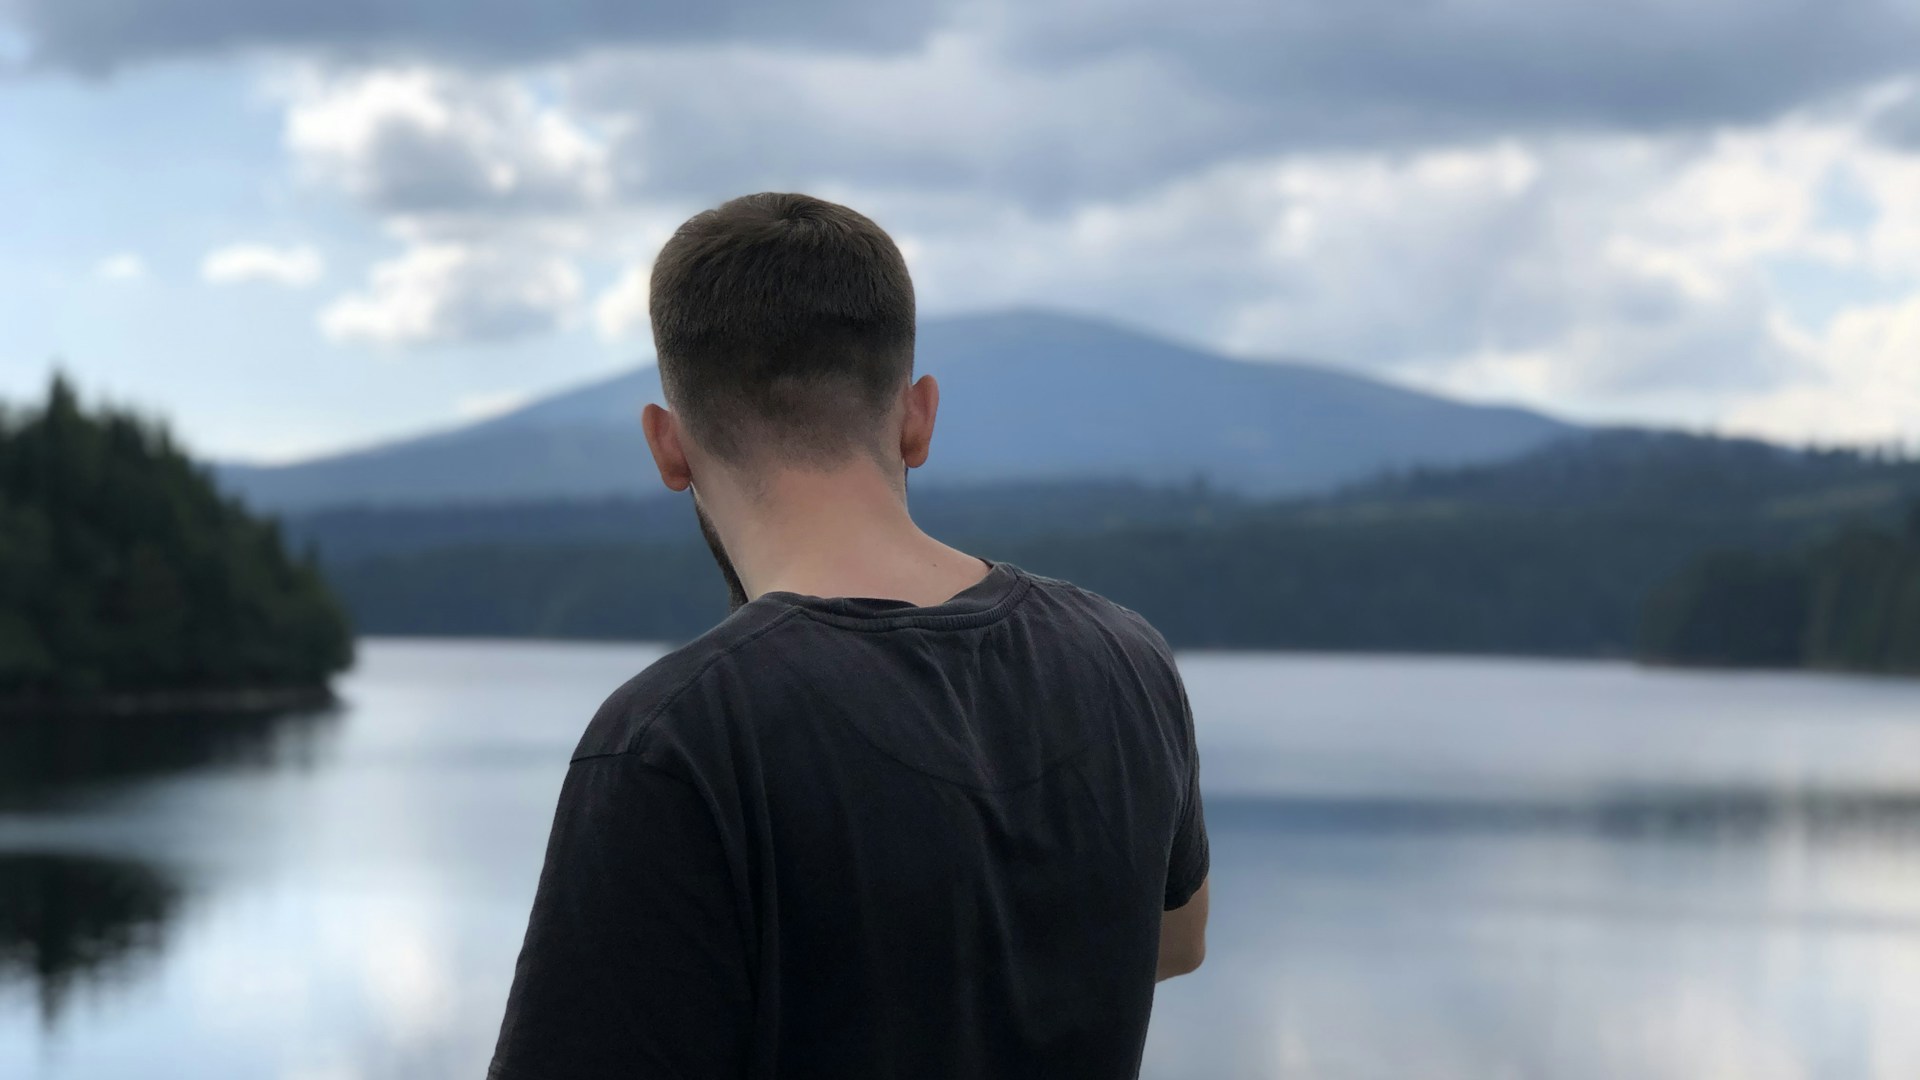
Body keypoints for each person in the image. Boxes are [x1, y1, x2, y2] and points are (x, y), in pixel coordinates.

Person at [487, 192, 1209, 1080]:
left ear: (667, 446)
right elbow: (1175, 941)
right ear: (918, 417)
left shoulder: (678, 736)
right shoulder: (1127, 658)